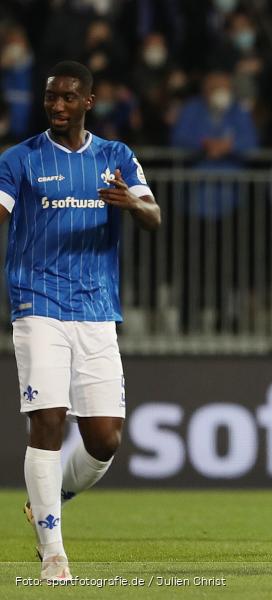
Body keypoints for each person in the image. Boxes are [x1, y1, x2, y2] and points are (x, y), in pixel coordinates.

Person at [0, 61, 160, 581]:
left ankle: (54, 497)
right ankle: (54, 554)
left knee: (105, 440)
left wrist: (130, 202)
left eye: (68, 97)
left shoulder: (116, 157)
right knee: (47, 420)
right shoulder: (19, 159)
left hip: (96, 311)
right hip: (38, 304)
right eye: (51, 98)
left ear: (88, 101)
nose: (58, 105)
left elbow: (155, 216)